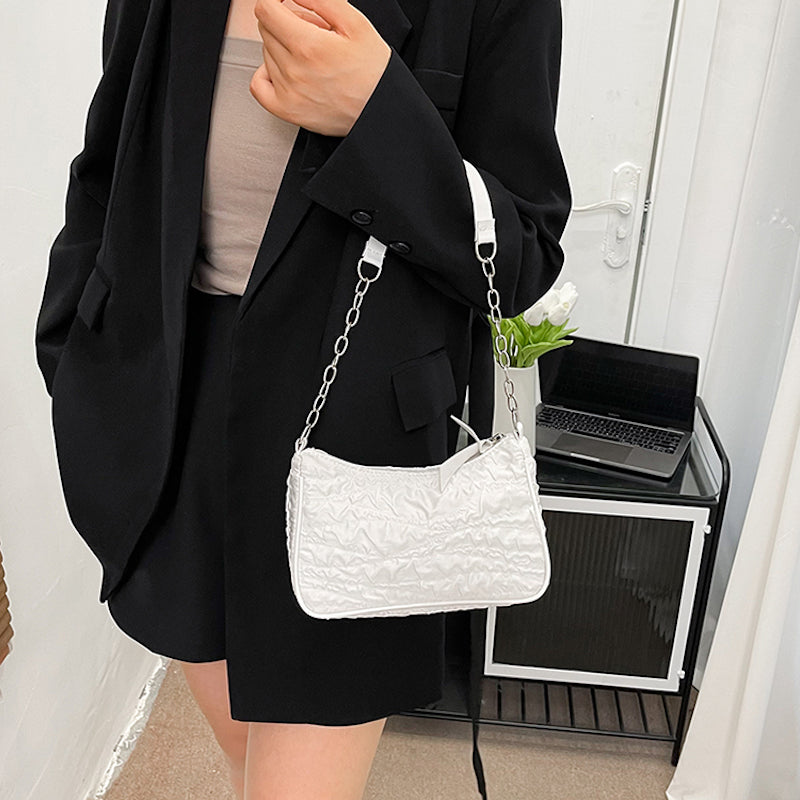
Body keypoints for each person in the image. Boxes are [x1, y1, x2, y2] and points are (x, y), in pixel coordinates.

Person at [35, 0, 572, 797]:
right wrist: (73, 347)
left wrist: (375, 114)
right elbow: (111, 162)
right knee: (246, 759)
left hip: (357, 450)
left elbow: (521, 251)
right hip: (169, 428)